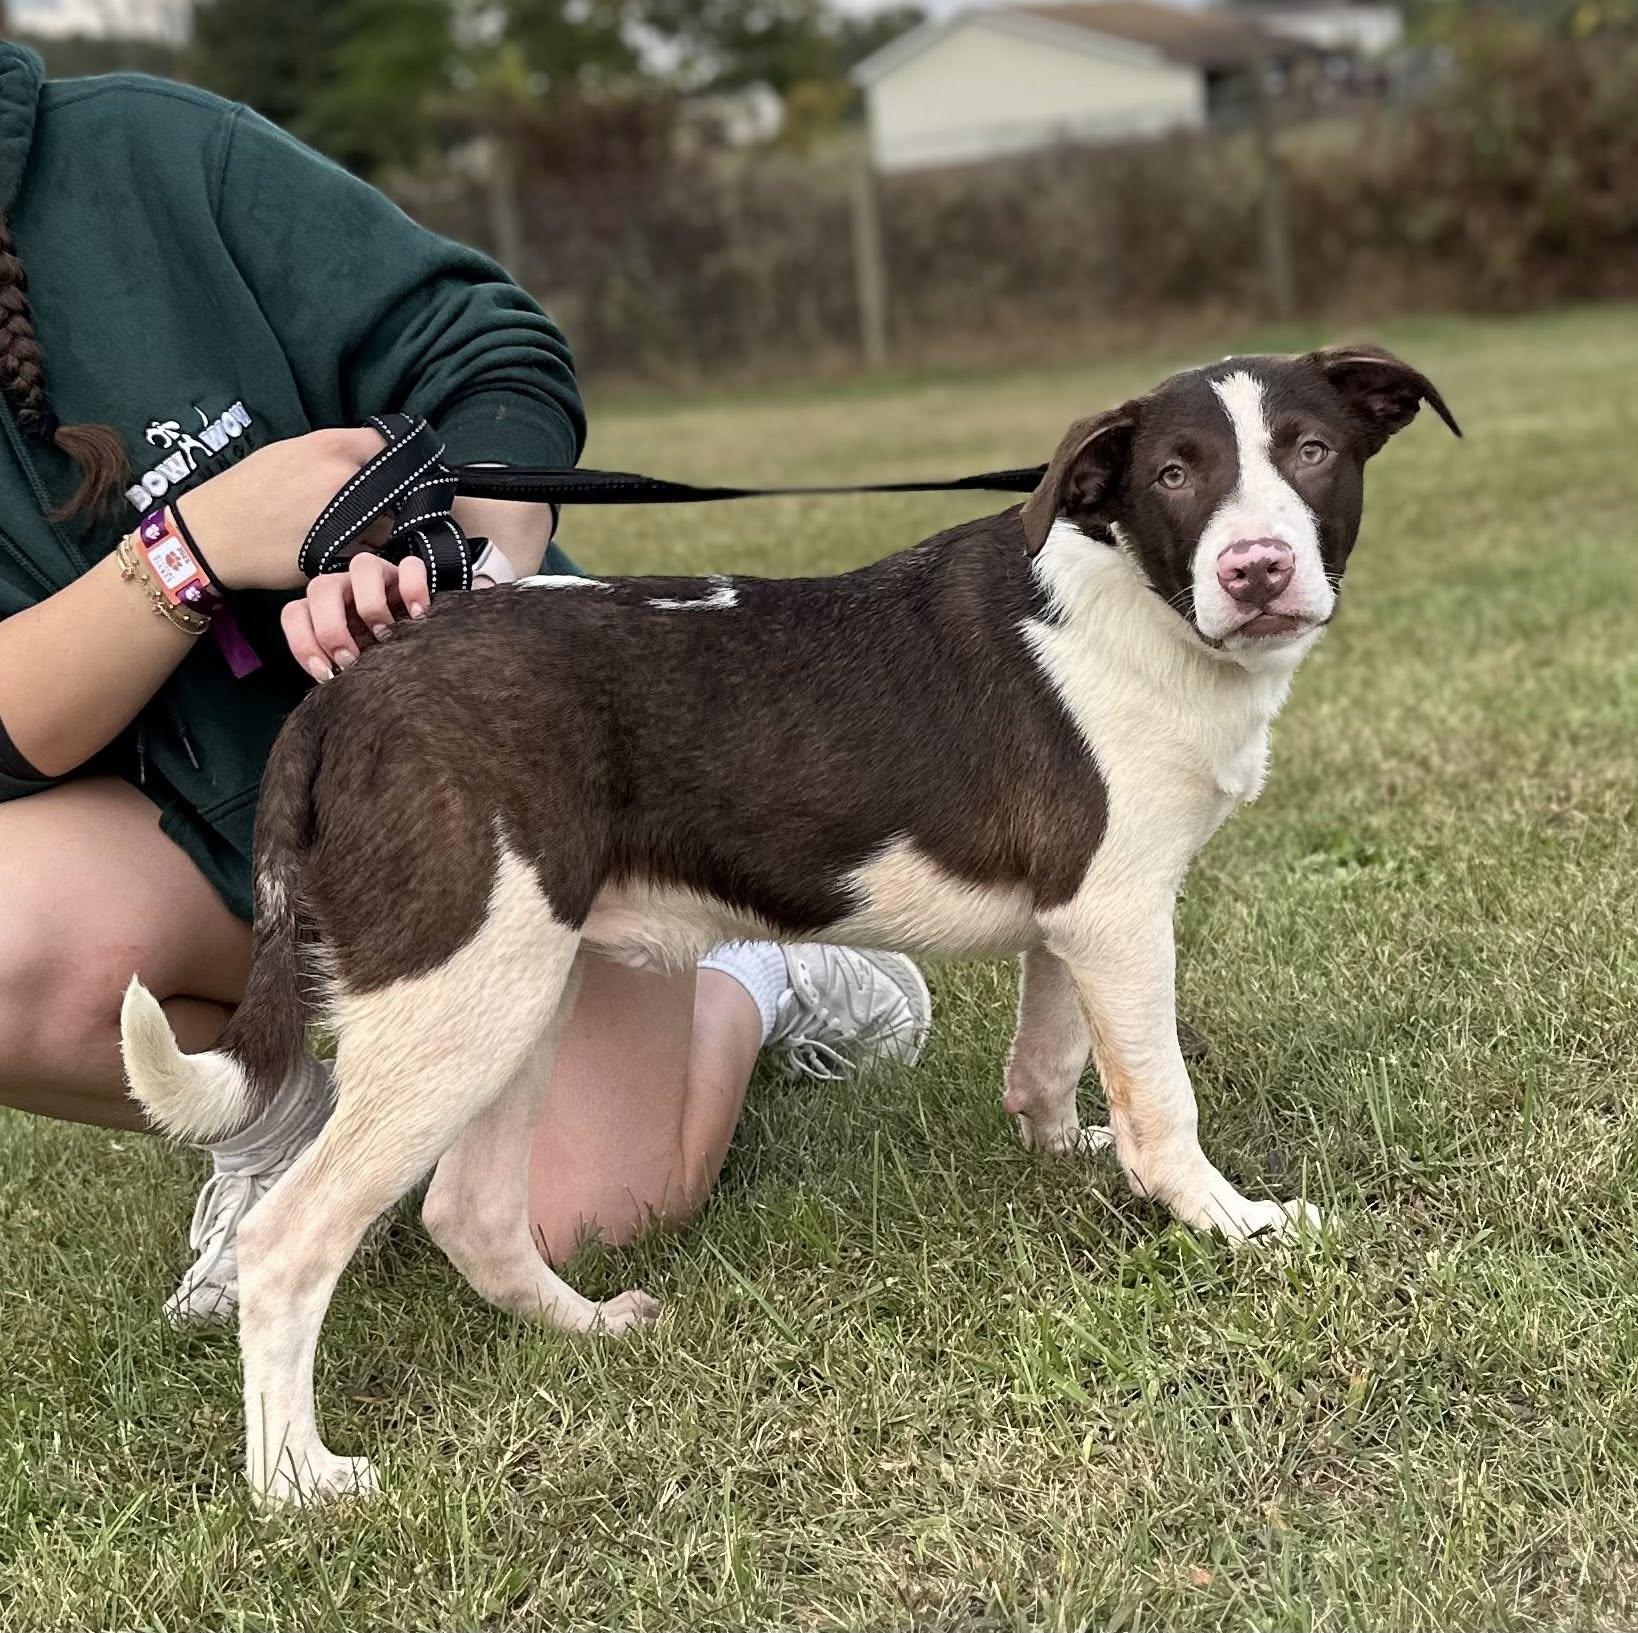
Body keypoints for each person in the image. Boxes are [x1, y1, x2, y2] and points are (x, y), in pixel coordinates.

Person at [0, 43, 931, 1326]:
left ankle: (752, 971)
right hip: (235, 850)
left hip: (514, 787)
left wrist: (457, 565)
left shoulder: (150, 153)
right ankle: (277, 1129)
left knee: (582, 1216)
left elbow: (490, 351)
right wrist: (192, 548)